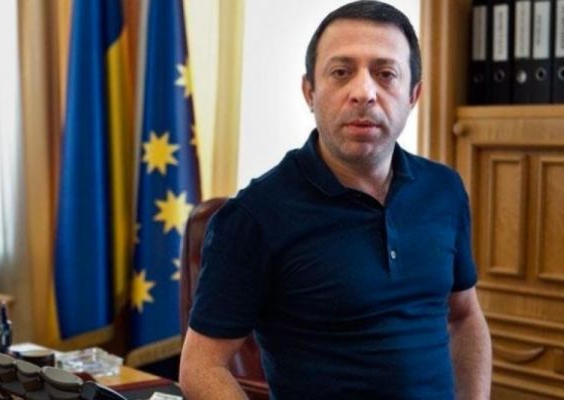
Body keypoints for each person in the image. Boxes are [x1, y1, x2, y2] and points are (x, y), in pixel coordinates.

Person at [179, 1, 492, 399]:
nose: (364, 93)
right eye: (341, 72)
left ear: (414, 94)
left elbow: (463, 316)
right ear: (309, 91)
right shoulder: (255, 215)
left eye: (385, 74)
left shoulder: (444, 189)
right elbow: (201, 365)